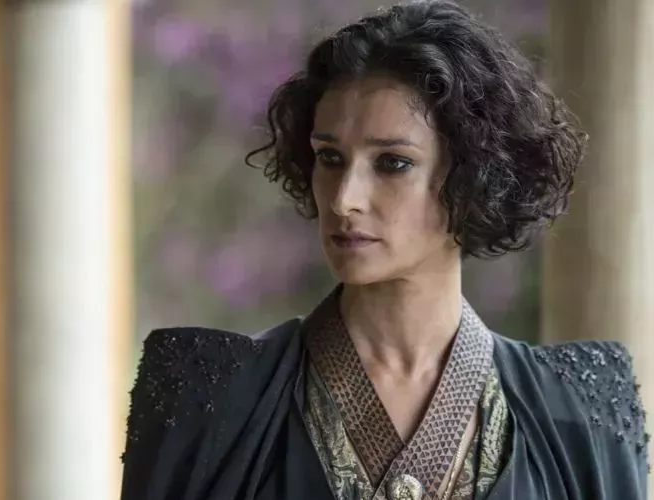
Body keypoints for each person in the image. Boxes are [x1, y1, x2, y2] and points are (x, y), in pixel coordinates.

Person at [119, 2, 649, 499]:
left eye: (393, 163)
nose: (344, 199)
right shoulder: (206, 395)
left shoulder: (581, 408)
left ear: (474, 175)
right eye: (330, 158)